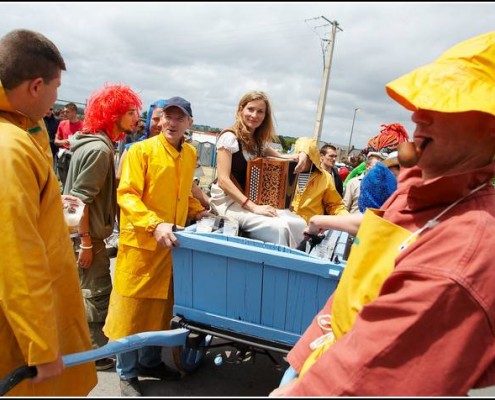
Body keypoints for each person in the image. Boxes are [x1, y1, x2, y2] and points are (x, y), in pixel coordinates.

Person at [270, 31, 495, 396]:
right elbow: (354, 285)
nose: (419, 114)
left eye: (446, 102)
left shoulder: (465, 250)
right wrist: (299, 364)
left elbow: (370, 377)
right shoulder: (414, 192)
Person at [0, 28, 96, 396]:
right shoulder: (10, 148)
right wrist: (40, 344)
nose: (59, 97)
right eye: (56, 87)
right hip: (18, 336)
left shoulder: (21, 132)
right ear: (36, 87)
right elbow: (16, 254)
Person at [103, 96, 210, 396]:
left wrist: (199, 209)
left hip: (170, 245)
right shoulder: (140, 151)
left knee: (161, 310)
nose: (172, 122)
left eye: (180, 118)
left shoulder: (189, 154)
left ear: (190, 123)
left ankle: (150, 362)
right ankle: (127, 372)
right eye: (168, 117)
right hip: (141, 245)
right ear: (160, 120)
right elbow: (127, 195)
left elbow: (180, 192)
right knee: (131, 312)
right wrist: (154, 223)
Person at [63, 83, 142, 372]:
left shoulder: (92, 142)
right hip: (88, 237)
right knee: (95, 295)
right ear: (113, 114)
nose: (136, 118)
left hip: (85, 235)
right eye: (130, 112)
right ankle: (94, 354)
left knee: (86, 291)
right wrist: (85, 241)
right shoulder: (99, 149)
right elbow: (79, 200)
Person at [209, 90, 307, 248]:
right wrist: (253, 207)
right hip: (227, 202)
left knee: (298, 223)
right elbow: (223, 181)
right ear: (240, 110)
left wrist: (302, 154)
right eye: (250, 109)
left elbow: (285, 157)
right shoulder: (229, 138)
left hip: (249, 201)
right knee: (278, 228)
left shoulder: (258, 143)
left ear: (265, 116)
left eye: (260, 111)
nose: (254, 115)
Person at [290, 137, 348, 223]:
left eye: (306, 156)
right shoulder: (286, 173)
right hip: (286, 226)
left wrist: (347, 219)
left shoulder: (325, 177)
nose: (300, 159)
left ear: (312, 157)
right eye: (299, 155)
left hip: (309, 230)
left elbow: (335, 205)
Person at [54, 102, 83, 190]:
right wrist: (63, 141)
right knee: (63, 181)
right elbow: (56, 141)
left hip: (76, 156)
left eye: (67, 112)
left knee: (74, 181)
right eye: (64, 111)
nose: (64, 113)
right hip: (63, 156)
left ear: (74, 112)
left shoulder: (83, 126)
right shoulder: (62, 124)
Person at [43, 105, 60, 171]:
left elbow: (58, 134)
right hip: (42, 148)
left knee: (52, 170)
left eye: (50, 109)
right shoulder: (39, 120)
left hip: (53, 149)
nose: (48, 111)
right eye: (47, 109)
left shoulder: (57, 121)